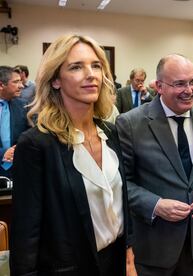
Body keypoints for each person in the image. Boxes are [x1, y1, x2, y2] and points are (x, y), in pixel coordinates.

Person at [10, 34, 136, 276]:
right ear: (56, 80)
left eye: (96, 65)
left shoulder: (111, 132)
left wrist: (129, 258)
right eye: (76, 67)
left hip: (115, 263)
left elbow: (121, 207)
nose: (91, 74)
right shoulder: (37, 144)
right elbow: (26, 235)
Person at [116, 54, 193, 276]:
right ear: (159, 86)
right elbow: (121, 183)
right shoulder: (130, 124)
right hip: (154, 248)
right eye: (179, 83)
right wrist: (155, 205)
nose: (189, 90)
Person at [0, 66, 29, 179]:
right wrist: (2, 154)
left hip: (18, 167)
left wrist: (19, 148)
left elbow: (30, 133)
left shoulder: (23, 105)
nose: (21, 86)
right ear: (1, 85)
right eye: (16, 82)